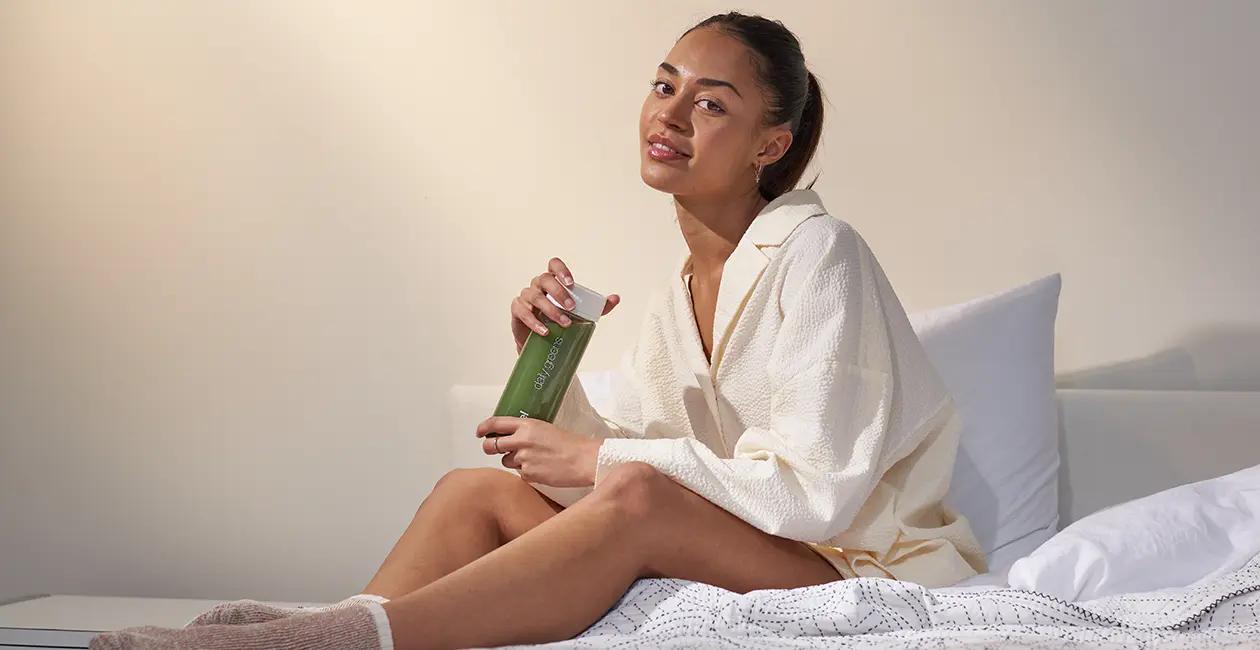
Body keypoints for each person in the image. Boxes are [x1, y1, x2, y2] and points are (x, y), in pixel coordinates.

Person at [90, 11, 986, 650]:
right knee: (467, 493)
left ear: (771, 143)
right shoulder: (682, 289)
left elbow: (810, 496)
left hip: (858, 568)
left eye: (711, 103)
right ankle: (338, 631)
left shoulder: (821, 253)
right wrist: (550, 375)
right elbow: (654, 462)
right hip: (763, 546)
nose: (669, 115)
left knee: (633, 496)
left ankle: (328, 639)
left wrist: (603, 468)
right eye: (663, 86)